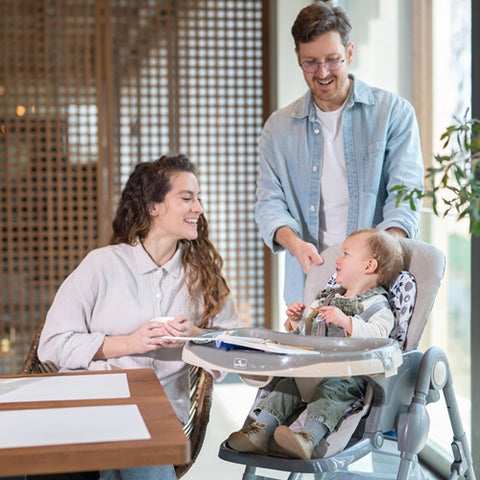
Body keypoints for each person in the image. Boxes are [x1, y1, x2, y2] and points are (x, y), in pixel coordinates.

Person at [38, 154, 240, 480]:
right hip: (91, 405)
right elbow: (51, 346)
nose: (199, 208)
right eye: (187, 198)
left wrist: (195, 334)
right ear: (153, 206)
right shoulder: (102, 265)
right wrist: (130, 342)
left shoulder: (202, 278)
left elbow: (235, 346)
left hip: (157, 416)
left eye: (198, 198)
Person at [255, 2, 424, 305]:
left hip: (378, 287)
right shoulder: (278, 129)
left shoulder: (393, 114)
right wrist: (295, 245)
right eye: (310, 62)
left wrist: (373, 264)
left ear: (349, 52)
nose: (322, 73)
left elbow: (405, 196)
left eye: (332, 60)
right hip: (309, 286)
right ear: (297, 57)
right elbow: (269, 204)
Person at [227, 228, 404, 460]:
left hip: (345, 376)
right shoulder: (326, 298)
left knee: (330, 394)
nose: (337, 259)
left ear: (369, 266)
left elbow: (380, 338)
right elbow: (306, 335)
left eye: (346, 254)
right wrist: (295, 321)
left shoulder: (377, 306)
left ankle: (307, 438)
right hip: (309, 370)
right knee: (284, 386)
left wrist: (347, 322)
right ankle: (260, 431)